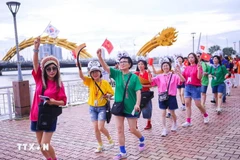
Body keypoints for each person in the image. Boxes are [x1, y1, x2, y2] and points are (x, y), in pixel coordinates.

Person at [96, 49, 145, 159]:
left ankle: (142, 139)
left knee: (132, 129)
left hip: (131, 107)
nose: (121, 63)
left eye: (124, 62)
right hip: (119, 107)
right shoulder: (117, 74)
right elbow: (106, 68)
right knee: (119, 130)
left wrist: (137, 104)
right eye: (120, 62)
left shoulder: (134, 77)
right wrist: (100, 58)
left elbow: (138, 91)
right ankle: (122, 152)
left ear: (129, 64)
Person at [31, 37, 67, 160]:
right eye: (48, 69)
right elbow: (35, 64)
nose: (51, 71)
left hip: (49, 115)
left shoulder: (59, 84)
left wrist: (53, 102)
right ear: (44, 70)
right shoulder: (39, 80)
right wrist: (36, 49)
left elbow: (63, 101)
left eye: (54, 68)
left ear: (57, 69)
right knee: (41, 146)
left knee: (44, 143)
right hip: (36, 115)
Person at [77, 60, 114, 153]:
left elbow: (112, 93)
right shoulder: (90, 81)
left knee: (101, 127)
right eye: (92, 72)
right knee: (95, 128)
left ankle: (110, 139)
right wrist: (79, 68)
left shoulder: (105, 83)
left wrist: (107, 96)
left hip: (102, 108)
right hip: (92, 108)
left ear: (100, 72)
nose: (95, 74)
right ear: (90, 74)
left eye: (96, 71)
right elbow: (81, 76)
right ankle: (100, 145)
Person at [149, 60, 185, 136]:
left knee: (172, 113)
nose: (165, 67)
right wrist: (149, 74)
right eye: (164, 66)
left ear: (169, 67)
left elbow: (183, 80)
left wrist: (179, 73)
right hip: (162, 96)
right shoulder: (159, 76)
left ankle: (175, 123)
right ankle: (164, 129)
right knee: (163, 113)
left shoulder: (174, 76)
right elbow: (151, 82)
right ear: (162, 67)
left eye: (167, 65)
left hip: (171, 96)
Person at [181, 53, 209, 127]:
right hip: (187, 87)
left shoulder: (198, 66)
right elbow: (183, 79)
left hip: (196, 87)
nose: (190, 59)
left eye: (192, 57)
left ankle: (205, 115)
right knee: (187, 103)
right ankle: (188, 121)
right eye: (189, 57)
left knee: (198, 104)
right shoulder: (187, 68)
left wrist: (199, 69)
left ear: (195, 58)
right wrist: (178, 73)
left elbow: (199, 77)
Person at [135, 58, 153, 130]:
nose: (140, 65)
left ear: (145, 65)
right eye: (139, 64)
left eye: (142, 64)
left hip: (146, 93)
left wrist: (143, 86)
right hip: (137, 93)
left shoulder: (148, 73)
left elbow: (151, 84)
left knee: (147, 108)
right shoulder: (136, 74)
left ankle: (149, 123)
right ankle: (135, 124)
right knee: (136, 108)